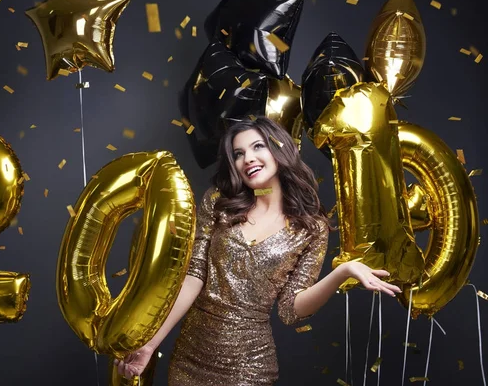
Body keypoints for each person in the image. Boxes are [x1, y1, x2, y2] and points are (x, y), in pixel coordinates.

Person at [114, 117, 401, 385]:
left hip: (250, 366)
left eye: (257, 146)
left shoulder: (311, 228)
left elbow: (291, 310)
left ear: (279, 150)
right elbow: (194, 275)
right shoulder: (218, 203)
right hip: (189, 359)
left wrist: (342, 272)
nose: (247, 158)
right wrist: (151, 344)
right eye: (238, 154)